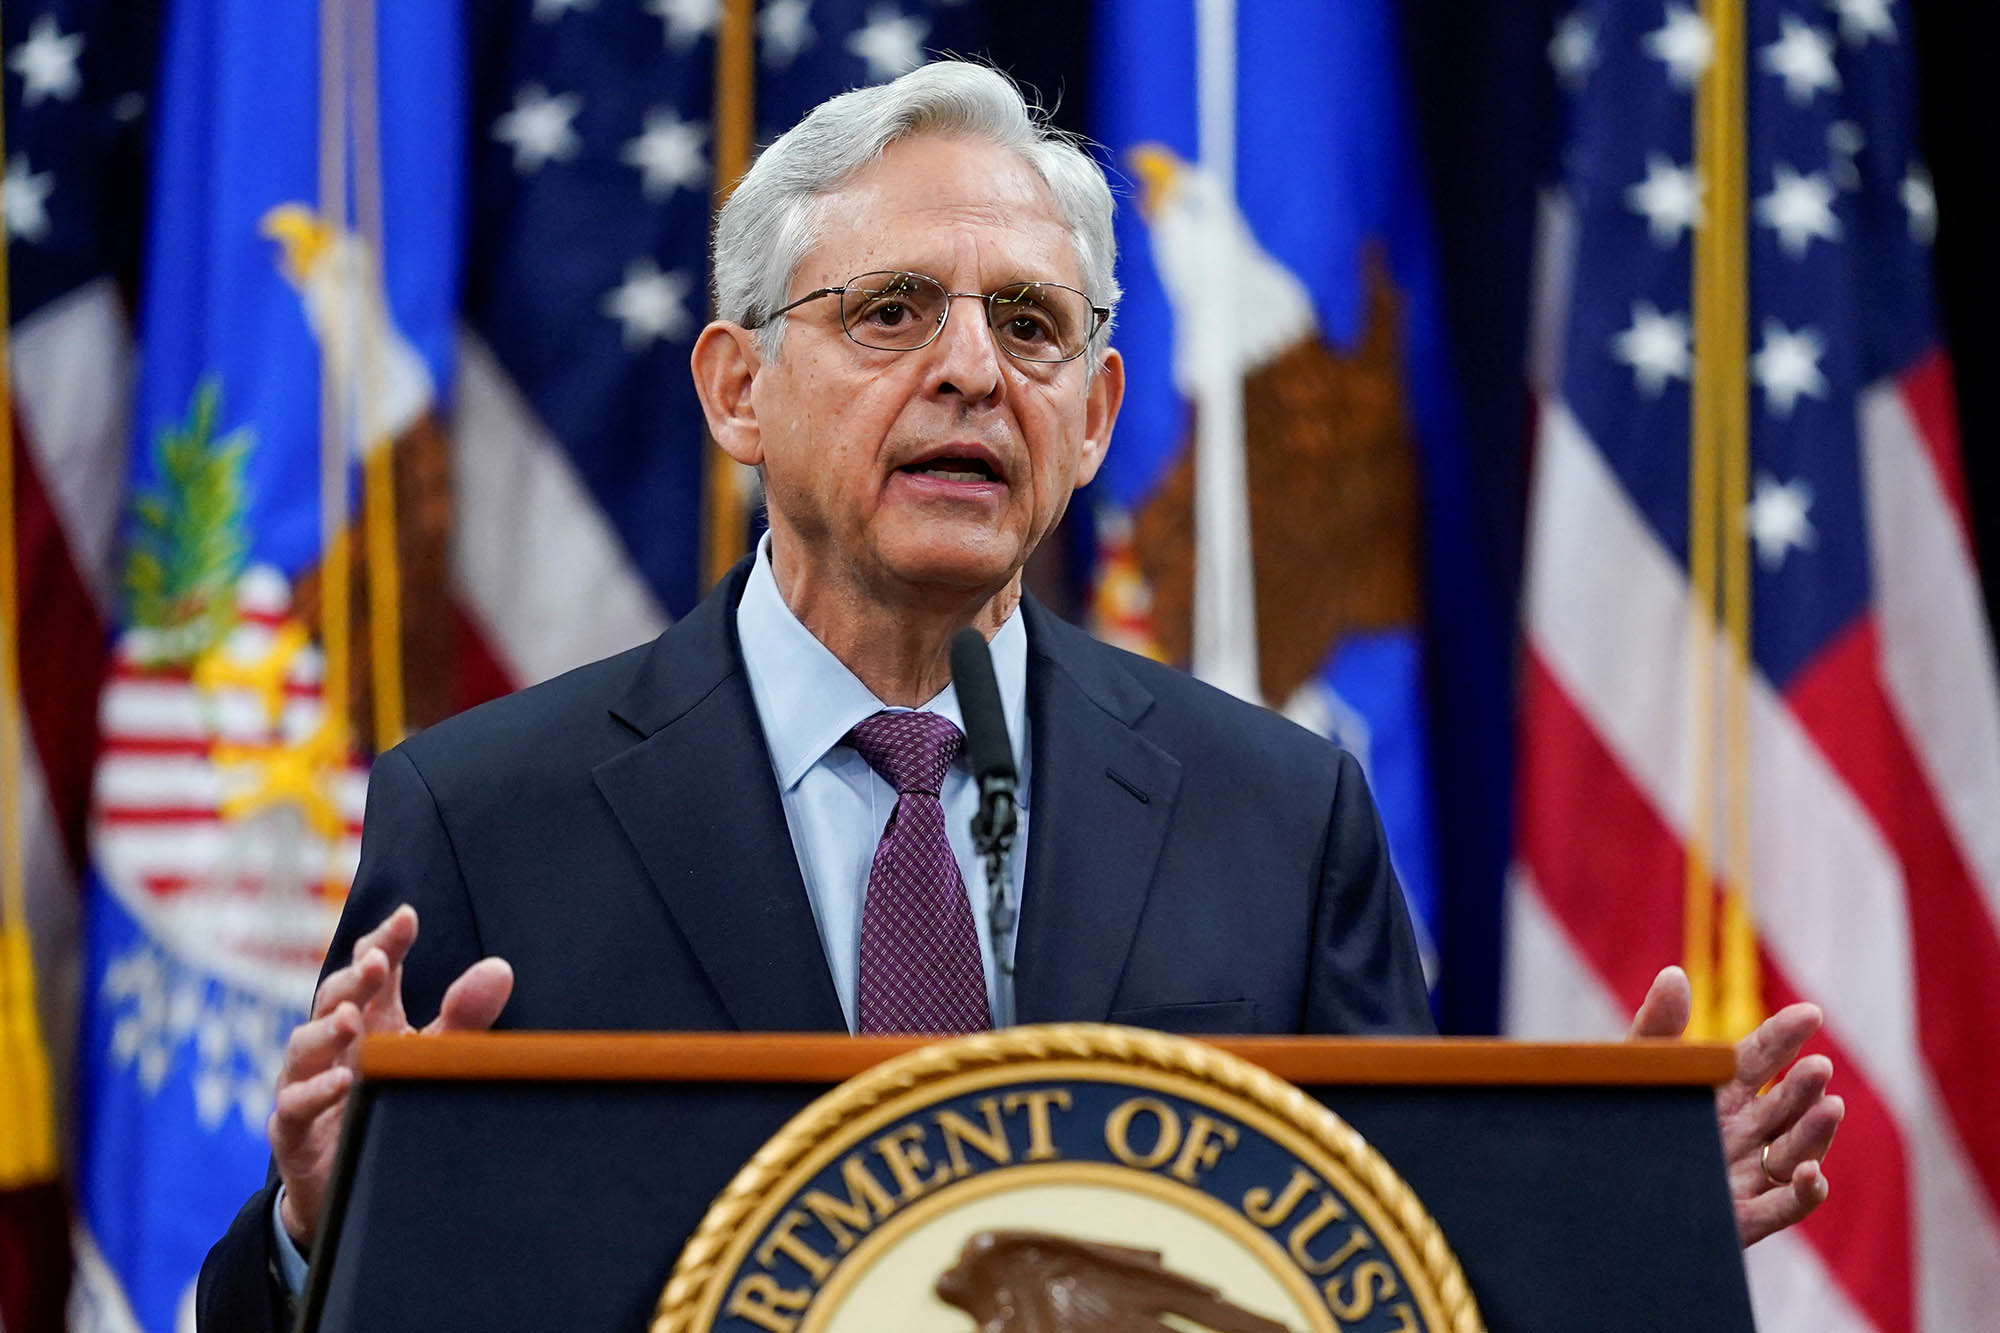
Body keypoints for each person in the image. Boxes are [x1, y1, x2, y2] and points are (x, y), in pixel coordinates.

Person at [197, 60, 1841, 1325]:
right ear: (737, 387)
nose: (973, 368)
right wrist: (331, 1219)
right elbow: (302, 1303)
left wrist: (1618, 1212)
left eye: (1031, 325)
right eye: (893, 311)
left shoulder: (1275, 813)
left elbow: (1371, 1263)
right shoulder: (491, 813)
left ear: (1100, 410)